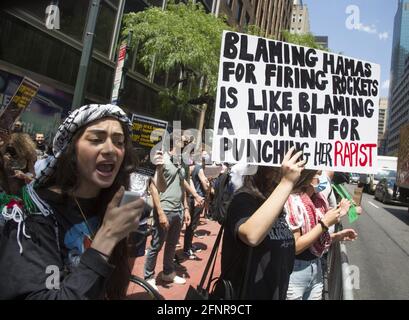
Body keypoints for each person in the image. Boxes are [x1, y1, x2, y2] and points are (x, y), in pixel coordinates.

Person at [0, 104, 166, 300]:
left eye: (119, 142)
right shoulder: (34, 213)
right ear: (71, 149)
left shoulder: (111, 207)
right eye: (97, 139)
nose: (111, 150)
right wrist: (107, 237)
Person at [220, 147, 305, 300]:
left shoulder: (274, 205)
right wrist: (286, 182)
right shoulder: (243, 200)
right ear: (265, 170)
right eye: (281, 167)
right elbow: (252, 236)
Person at [284, 170, 358, 300]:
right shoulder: (292, 201)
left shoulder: (318, 202)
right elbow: (295, 247)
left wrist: (338, 236)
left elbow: (315, 238)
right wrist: (324, 224)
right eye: (318, 175)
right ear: (307, 178)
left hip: (316, 268)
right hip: (295, 271)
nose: (321, 178)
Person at [144, 133, 191, 291]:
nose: (185, 146)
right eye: (183, 143)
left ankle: (168, 272)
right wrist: (161, 212)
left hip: (178, 210)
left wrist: (186, 208)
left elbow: (181, 186)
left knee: (171, 245)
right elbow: (153, 188)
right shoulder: (161, 159)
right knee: (156, 245)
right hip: (165, 209)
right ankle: (148, 277)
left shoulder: (180, 162)